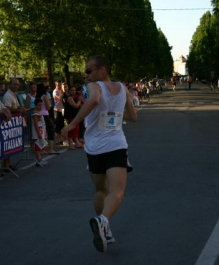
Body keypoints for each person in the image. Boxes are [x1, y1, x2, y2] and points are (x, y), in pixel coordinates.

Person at [61, 55, 137, 253]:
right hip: (115, 145)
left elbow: (94, 100)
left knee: (100, 190)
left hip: (94, 147)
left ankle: (105, 227)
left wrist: (72, 123)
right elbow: (133, 116)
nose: (86, 75)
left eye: (89, 70)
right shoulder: (122, 88)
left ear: (102, 70)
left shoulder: (95, 87)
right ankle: (103, 221)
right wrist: (116, 112)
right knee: (117, 192)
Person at [2, 78, 26, 170]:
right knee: (7, 143)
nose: (16, 86)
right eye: (14, 84)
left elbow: (15, 105)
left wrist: (20, 107)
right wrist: (19, 110)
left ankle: (9, 163)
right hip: (9, 123)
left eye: (17, 84)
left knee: (11, 144)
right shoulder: (8, 95)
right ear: (9, 85)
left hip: (13, 124)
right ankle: (6, 164)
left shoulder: (14, 95)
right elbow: (7, 107)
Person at [36, 83, 59, 154]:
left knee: (42, 131)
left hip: (39, 114)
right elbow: (48, 107)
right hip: (45, 114)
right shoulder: (44, 96)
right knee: (51, 130)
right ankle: (51, 148)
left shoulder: (37, 97)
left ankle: (41, 148)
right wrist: (49, 102)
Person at [64, 85, 84, 150]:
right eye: (72, 90)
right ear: (69, 91)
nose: (74, 91)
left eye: (74, 90)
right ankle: (70, 144)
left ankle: (77, 142)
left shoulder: (74, 97)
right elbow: (75, 106)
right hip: (71, 115)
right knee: (72, 129)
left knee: (76, 129)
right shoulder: (69, 98)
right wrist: (79, 100)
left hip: (75, 115)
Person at [31, 98, 48, 167]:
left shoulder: (39, 112)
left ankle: (40, 159)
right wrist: (38, 133)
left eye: (41, 105)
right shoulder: (35, 114)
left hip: (41, 131)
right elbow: (36, 124)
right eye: (39, 105)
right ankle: (38, 160)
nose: (40, 107)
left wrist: (44, 132)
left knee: (41, 146)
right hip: (37, 133)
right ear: (35, 105)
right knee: (38, 147)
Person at [53, 80, 65, 145]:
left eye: (60, 85)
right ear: (56, 85)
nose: (59, 86)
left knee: (62, 125)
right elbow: (60, 98)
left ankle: (63, 139)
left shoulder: (62, 91)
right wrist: (63, 91)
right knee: (58, 125)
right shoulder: (55, 91)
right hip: (57, 109)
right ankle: (58, 139)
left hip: (63, 109)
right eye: (58, 85)